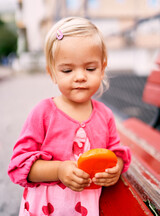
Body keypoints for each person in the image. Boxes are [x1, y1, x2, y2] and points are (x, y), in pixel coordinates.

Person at [8, 17, 131, 216]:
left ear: (102, 68)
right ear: (52, 73)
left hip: (86, 207)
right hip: (45, 208)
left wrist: (115, 169)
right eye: (67, 70)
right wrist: (58, 170)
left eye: (90, 68)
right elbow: (19, 164)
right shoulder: (44, 113)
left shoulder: (105, 115)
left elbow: (116, 153)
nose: (80, 76)